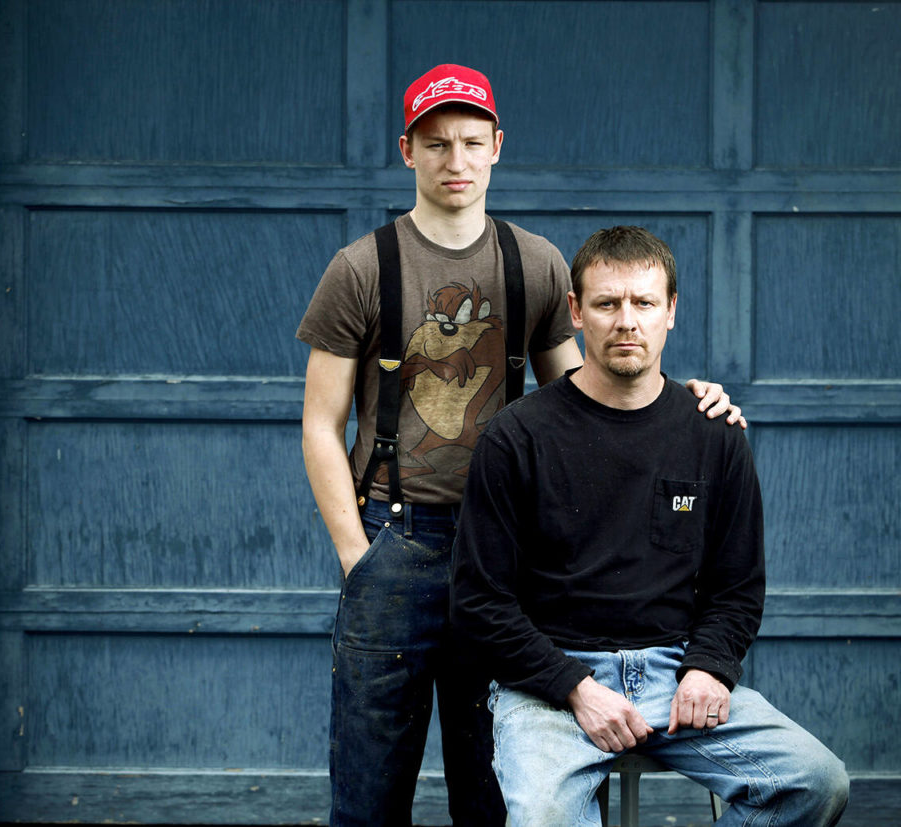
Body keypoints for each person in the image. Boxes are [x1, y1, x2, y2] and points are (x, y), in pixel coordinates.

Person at [297, 64, 741, 827]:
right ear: (407, 151)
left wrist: (691, 400)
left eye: (472, 142)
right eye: (436, 144)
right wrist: (357, 555)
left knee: (499, 793)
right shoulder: (363, 267)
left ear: (498, 146)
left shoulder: (533, 263)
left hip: (507, 555)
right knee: (368, 797)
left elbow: (591, 400)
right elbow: (319, 420)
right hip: (395, 539)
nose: (456, 161)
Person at [450, 225, 850, 826]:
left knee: (815, 783)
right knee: (544, 817)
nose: (626, 321)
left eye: (643, 302)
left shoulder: (713, 434)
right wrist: (575, 687)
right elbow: (479, 602)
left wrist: (710, 667)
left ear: (671, 312)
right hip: (551, 682)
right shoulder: (518, 437)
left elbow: (736, 586)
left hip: (674, 671)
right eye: (608, 304)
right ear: (577, 313)